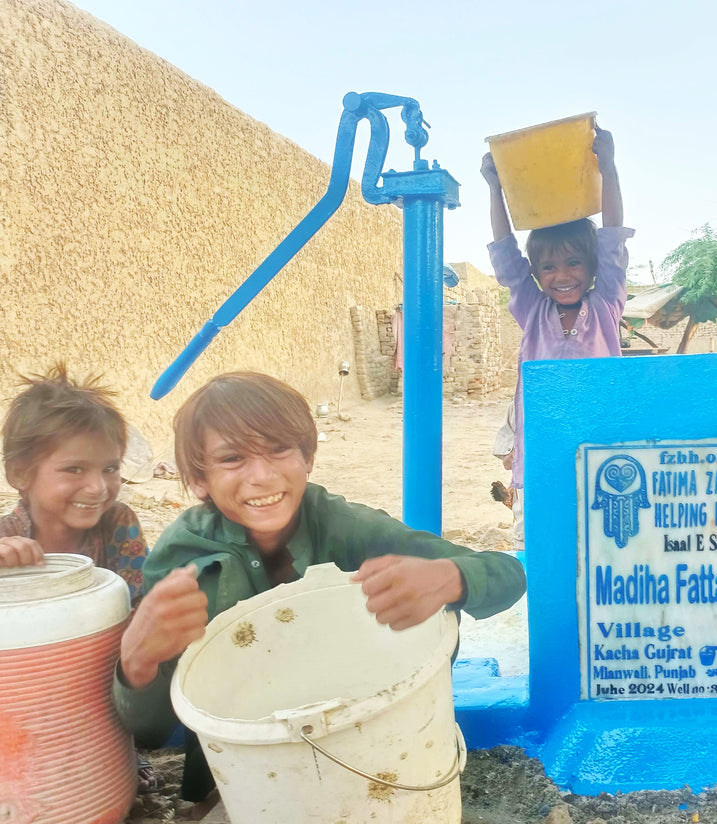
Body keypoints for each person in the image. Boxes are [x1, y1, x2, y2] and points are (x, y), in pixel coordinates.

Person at [113, 371, 527, 801]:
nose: (262, 475)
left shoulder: (338, 524)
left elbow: (507, 575)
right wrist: (137, 664)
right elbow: (150, 732)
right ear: (199, 479)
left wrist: (452, 578)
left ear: (307, 457)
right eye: (233, 459)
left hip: (377, 747)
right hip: (246, 776)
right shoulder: (181, 559)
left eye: (278, 450)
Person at [0, 363, 156, 790]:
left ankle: (123, 755)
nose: (97, 488)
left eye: (109, 468)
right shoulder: (5, 539)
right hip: (25, 702)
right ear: (20, 474)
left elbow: (140, 607)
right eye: (74, 470)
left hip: (100, 683)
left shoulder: (118, 522)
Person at [481, 126, 633, 545]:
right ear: (536, 274)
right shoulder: (533, 311)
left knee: (602, 542)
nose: (562, 276)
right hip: (542, 455)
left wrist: (610, 168)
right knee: (542, 544)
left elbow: (613, 238)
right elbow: (505, 254)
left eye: (572, 264)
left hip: (601, 451)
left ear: (591, 267)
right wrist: (496, 187)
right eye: (548, 268)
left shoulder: (604, 306)